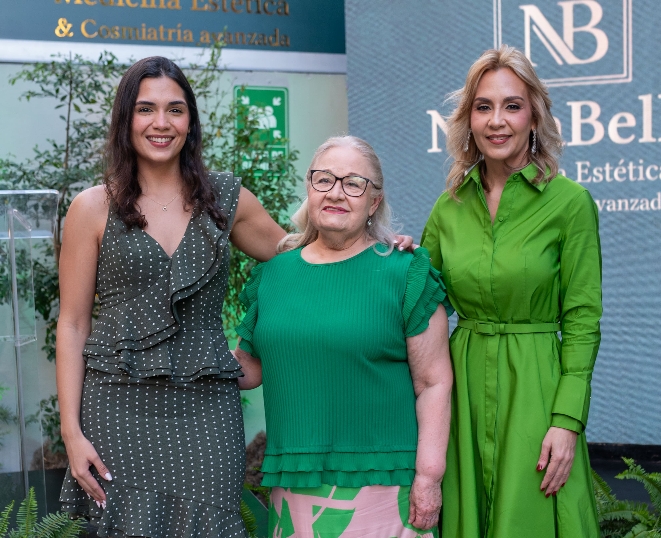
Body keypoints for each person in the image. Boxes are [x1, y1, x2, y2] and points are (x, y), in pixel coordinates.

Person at [56, 56, 412, 537]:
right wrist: (71, 432)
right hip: (118, 408)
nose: (161, 123)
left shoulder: (226, 199)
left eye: (175, 110)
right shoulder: (92, 207)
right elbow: (73, 324)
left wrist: (381, 248)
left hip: (207, 412)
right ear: (125, 119)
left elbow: (305, 255)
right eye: (145, 109)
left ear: (191, 122)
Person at [421, 45, 602, 537]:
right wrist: (394, 258)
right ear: (469, 120)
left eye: (512, 106)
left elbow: (583, 320)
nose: (497, 121)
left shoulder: (571, 204)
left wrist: (567, 420)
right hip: (462, 389)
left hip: (537, 390)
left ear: (534, 116)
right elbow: (420, 301)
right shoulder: (448, 207)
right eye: (484, 107)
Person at [232, 136, 453, 537]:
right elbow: (247, 371)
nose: (336, 192)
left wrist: (429, 476)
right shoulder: (274, 274)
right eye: (324, 179)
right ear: (309, 187)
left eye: (353, 183)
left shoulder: (406, 272)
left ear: (374, 201)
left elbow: (434, 383)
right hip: (295, 486)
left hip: (387, 485)